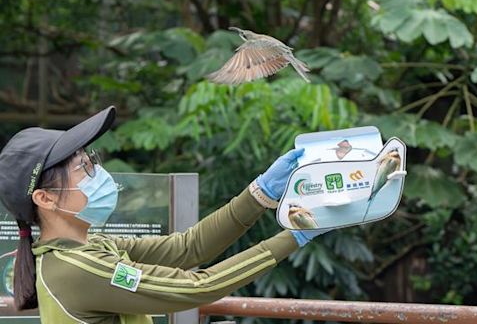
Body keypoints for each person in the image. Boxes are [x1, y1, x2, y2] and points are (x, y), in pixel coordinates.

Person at [0, 106, 328, 323]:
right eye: (83, 169)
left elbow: (186, 248)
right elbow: (199, 287)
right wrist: (292, 237)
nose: (98, 172)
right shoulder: (78, 268)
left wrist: (260, 193)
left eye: (93, 160)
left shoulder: (89, 248)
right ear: (44, 198)